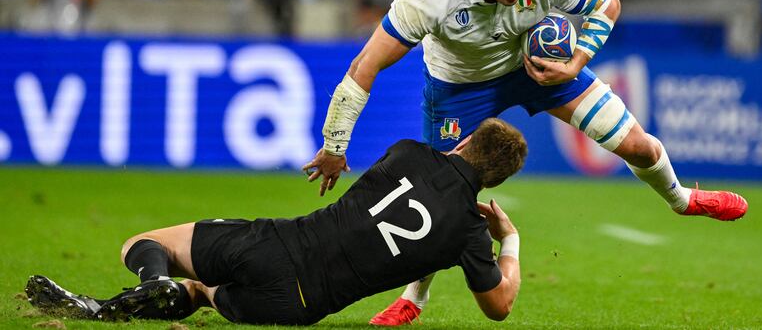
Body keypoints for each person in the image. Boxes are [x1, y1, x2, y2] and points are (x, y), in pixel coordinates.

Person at [301, 0, 749, 326]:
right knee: (441, 200)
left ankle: (682, 200)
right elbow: (365, 65)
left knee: (640, 147)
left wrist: (576, 62)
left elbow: (608, 4)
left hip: (537, 71)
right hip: (459, 88)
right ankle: (414, 298)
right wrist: (335, 145)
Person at [26, 118, 527, 326]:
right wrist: (510, 240)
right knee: (202, 292)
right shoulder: (465, 234)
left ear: (463, 143)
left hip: (279, 245)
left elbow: (418, 188)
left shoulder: (409, 153)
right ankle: (171, 294)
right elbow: (499, 306)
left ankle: (151, 281)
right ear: (495, 183)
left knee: (145, 241)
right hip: (297, 305)